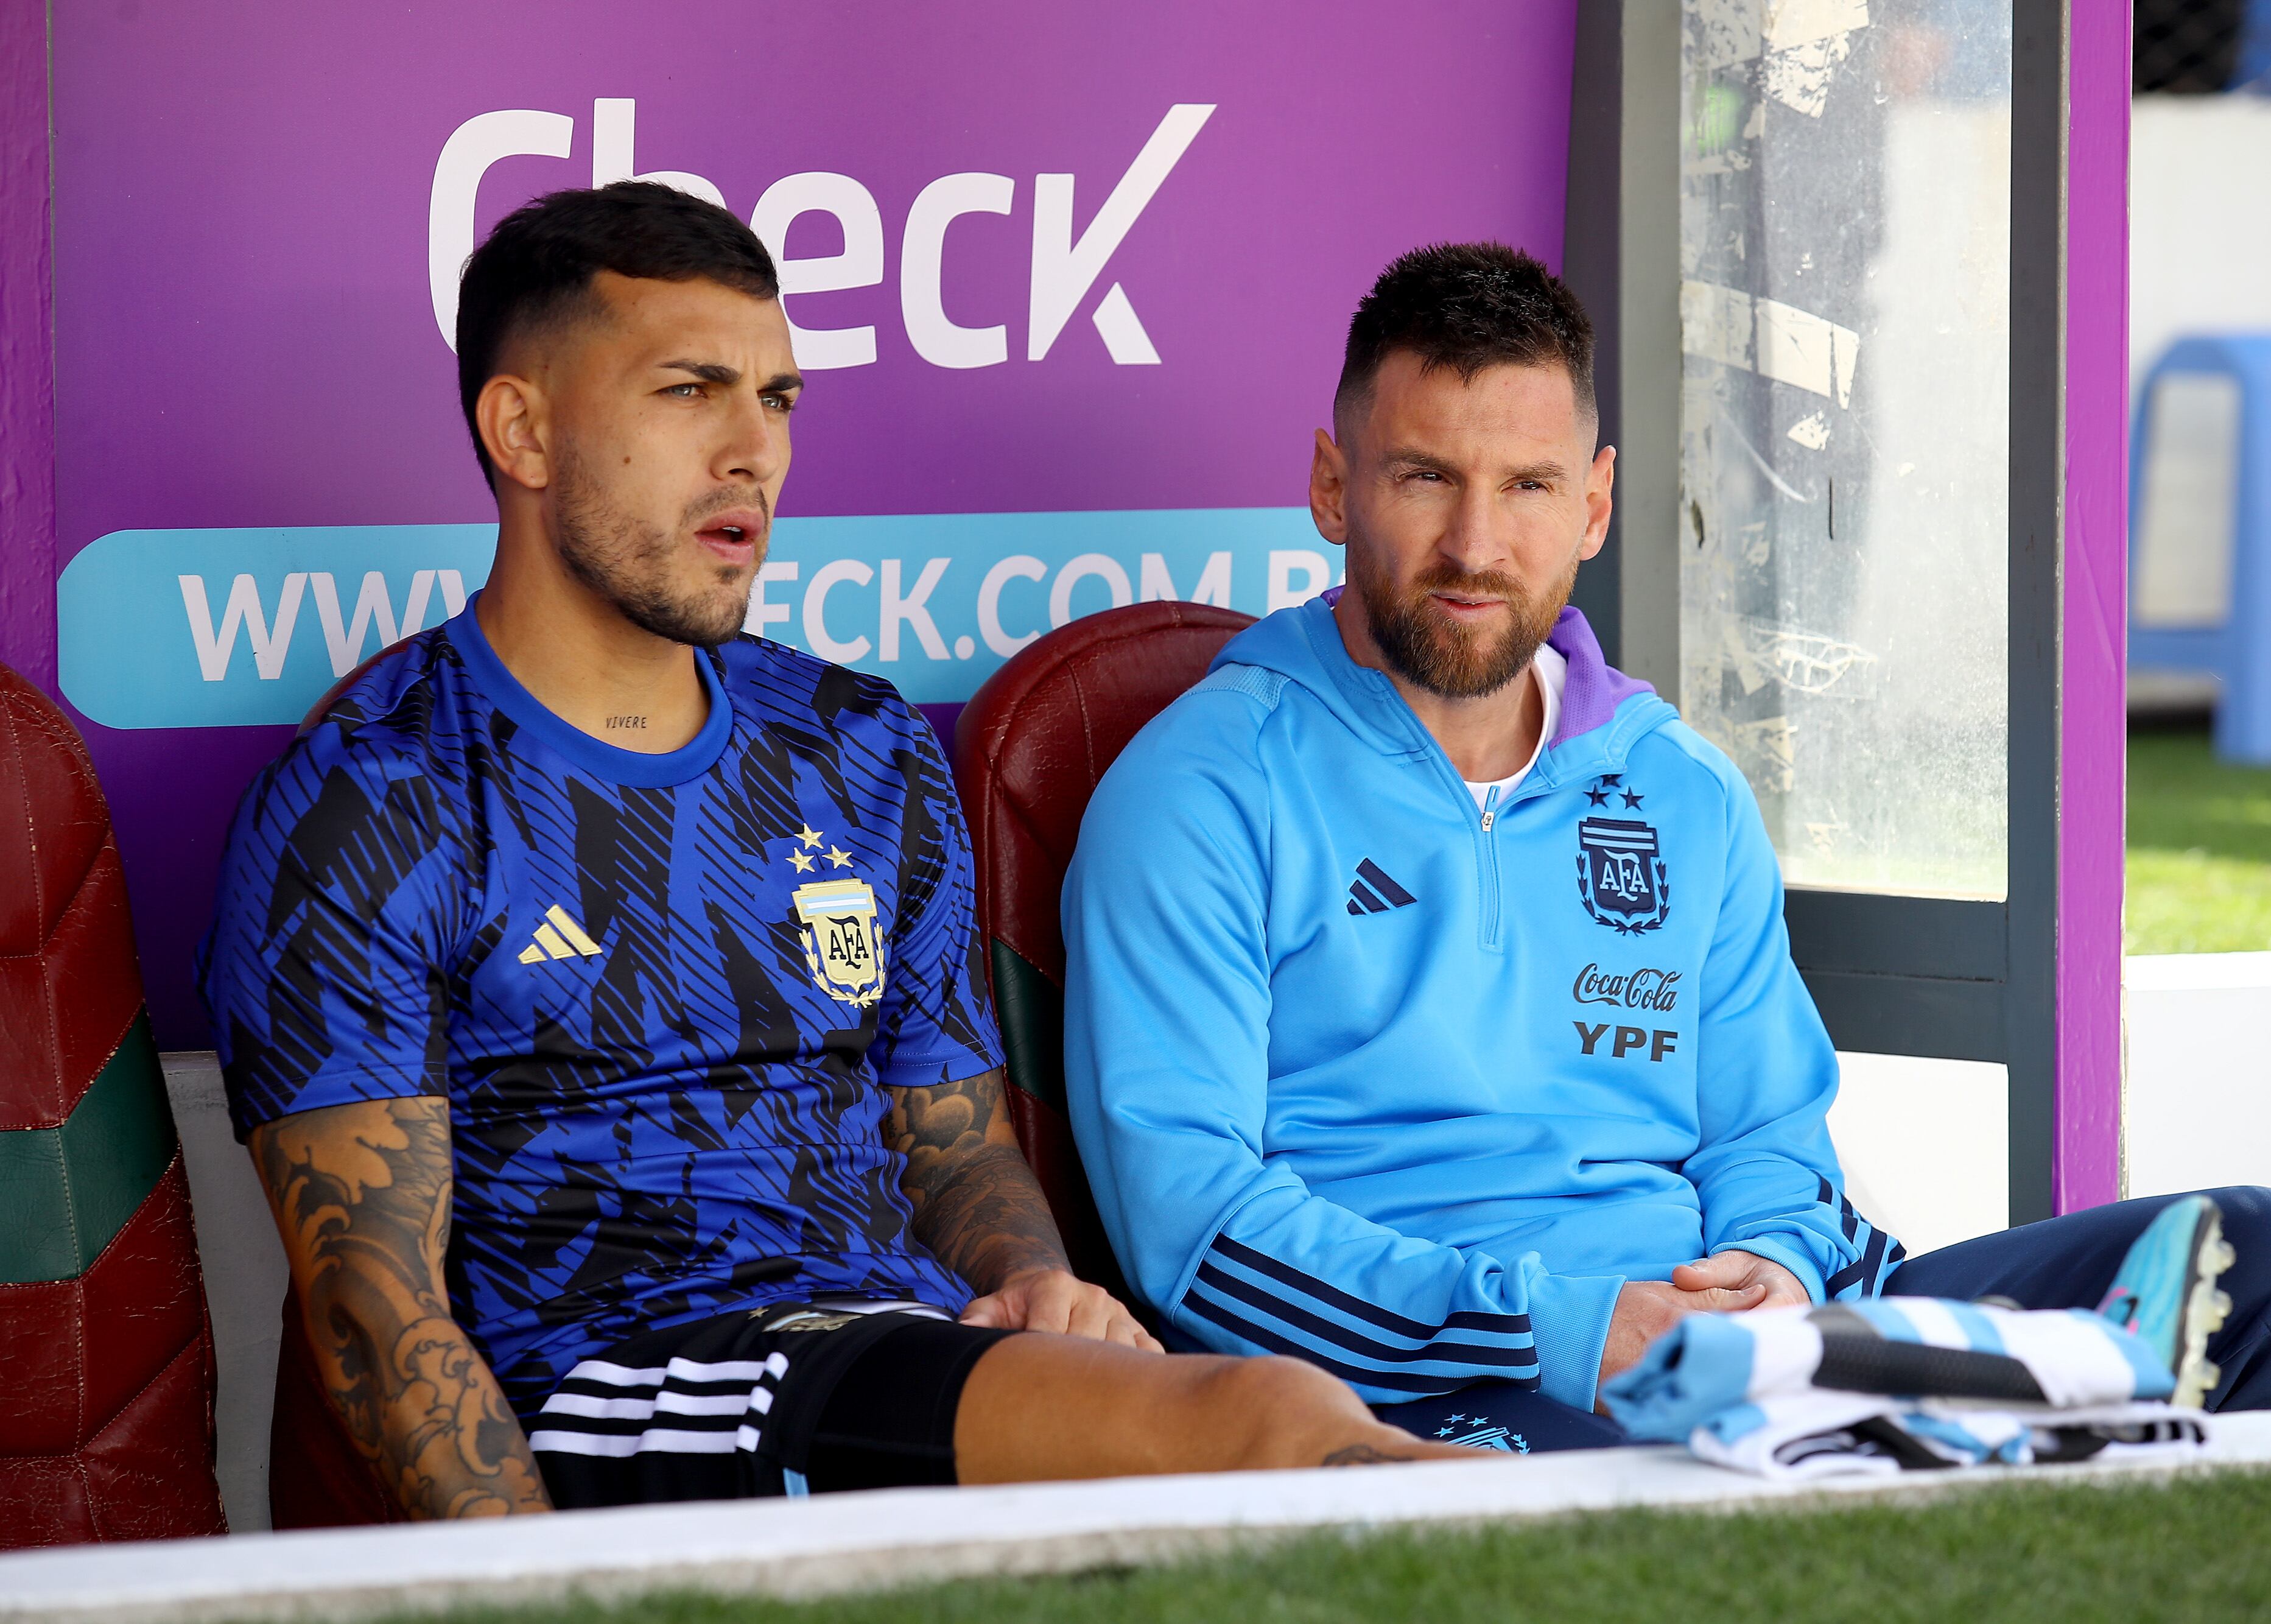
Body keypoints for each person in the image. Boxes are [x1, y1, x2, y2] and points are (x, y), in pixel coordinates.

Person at [197, 184, 1473, 1518]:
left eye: (781, 399)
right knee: (1257, 1426)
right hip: (631, 1379)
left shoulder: (855, 743)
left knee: (1258, 1446)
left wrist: (1033, 1285)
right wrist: (536, 1586)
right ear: (522, 429)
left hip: (890, 1349)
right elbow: (368, 1301)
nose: (755, 449)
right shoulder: (374, 792)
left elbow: (956, 1145)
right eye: (690, 391)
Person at [1061, 242, 2271, 1452]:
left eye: (1526, 485)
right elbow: (1196, 1231)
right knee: (1706, 1501)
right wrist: (1564, 1325)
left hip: (1756, 1338)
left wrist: (1774, 1257)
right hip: (1446, 1384)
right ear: (1330, 484)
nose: (1475, 544)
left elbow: (1765, 1126)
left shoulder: (1676, 785)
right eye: (1425, 478)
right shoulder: (1200, 788)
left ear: (1591, 506)